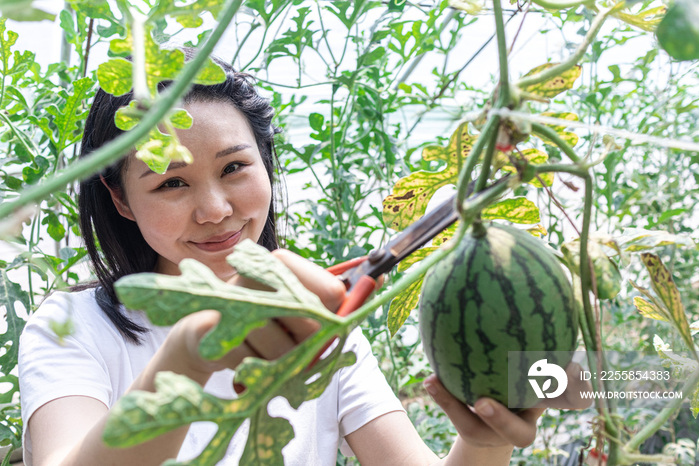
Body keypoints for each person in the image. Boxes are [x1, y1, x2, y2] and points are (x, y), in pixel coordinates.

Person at [18, 52, 555, 466]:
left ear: (266, 165)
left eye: (234, 169)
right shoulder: (73, 329)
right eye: (172, 182)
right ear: (120, 200)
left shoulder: (322, 321)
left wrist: (481, 443)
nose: (215, 209)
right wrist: (187, 356)